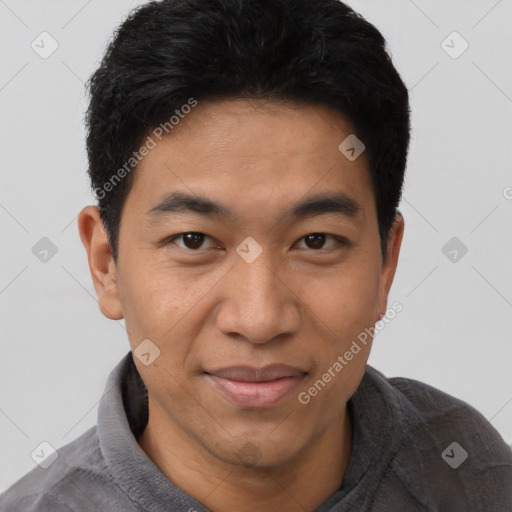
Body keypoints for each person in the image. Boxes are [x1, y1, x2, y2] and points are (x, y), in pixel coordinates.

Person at [1, 0, 511, 510]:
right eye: (194, 240)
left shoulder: (475, 475)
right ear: (106, 264)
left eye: (315, 241)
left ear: (385, 263)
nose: (260, 319)